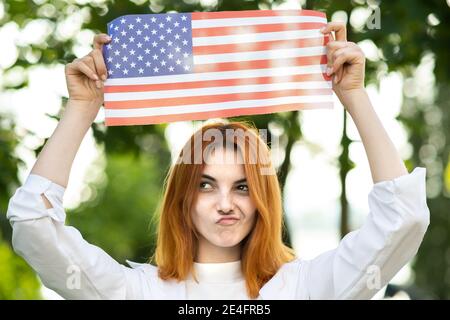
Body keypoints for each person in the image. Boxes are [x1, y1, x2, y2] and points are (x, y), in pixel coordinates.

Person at [6, 22, 430, 300]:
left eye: (242, 186)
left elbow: (404, 219)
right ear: (181, 200)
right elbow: (34, 225)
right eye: (206, 185)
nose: (226, 203)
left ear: (264, 197)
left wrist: (354, 97)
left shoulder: (305, 286)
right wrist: (82, 108)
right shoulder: (135, 291)